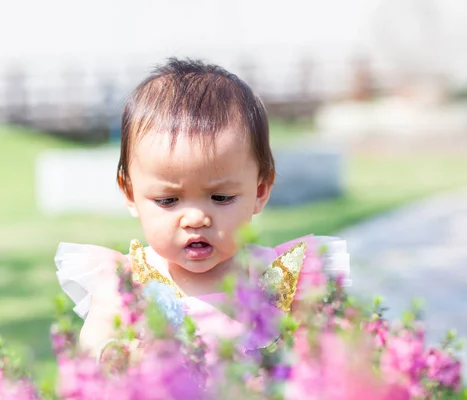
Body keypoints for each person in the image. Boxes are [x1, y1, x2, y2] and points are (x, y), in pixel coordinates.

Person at [55, 58, 350, 358]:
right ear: (130, 193)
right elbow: (96, 344)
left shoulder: (277, 277)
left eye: (221, 198)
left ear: (260, 191)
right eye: (168, 200)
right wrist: (114, 356)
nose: (195, 218)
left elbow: (316, 353)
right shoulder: (125, 284)